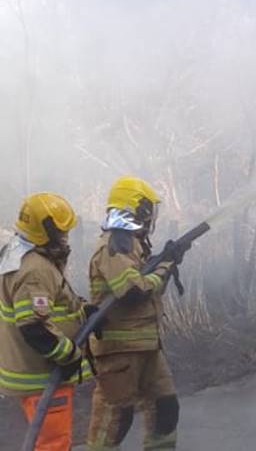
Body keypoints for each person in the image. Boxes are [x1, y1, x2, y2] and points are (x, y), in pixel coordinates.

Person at [87, 176, 186, 451]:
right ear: (138, 209)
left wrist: (169, 260)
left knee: (166, 410)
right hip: (120, 351)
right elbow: (133, 292)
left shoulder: (133, 244)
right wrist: (164, 266)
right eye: (149, 209)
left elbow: (150, 291)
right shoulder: (114, 245)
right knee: (114, 423)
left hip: (148, 347)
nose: (152, 216)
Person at [0, 192, 93, 451]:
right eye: (62, 231)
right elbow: (34, 326)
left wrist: (85, 310)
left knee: (45, 442)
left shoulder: (20, 256)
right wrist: (70, 355)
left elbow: (52, 306)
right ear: (47, 231)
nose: (65, 237)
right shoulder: (35, 270)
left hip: (32, 373)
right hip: (43, 374)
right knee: (53, 445)